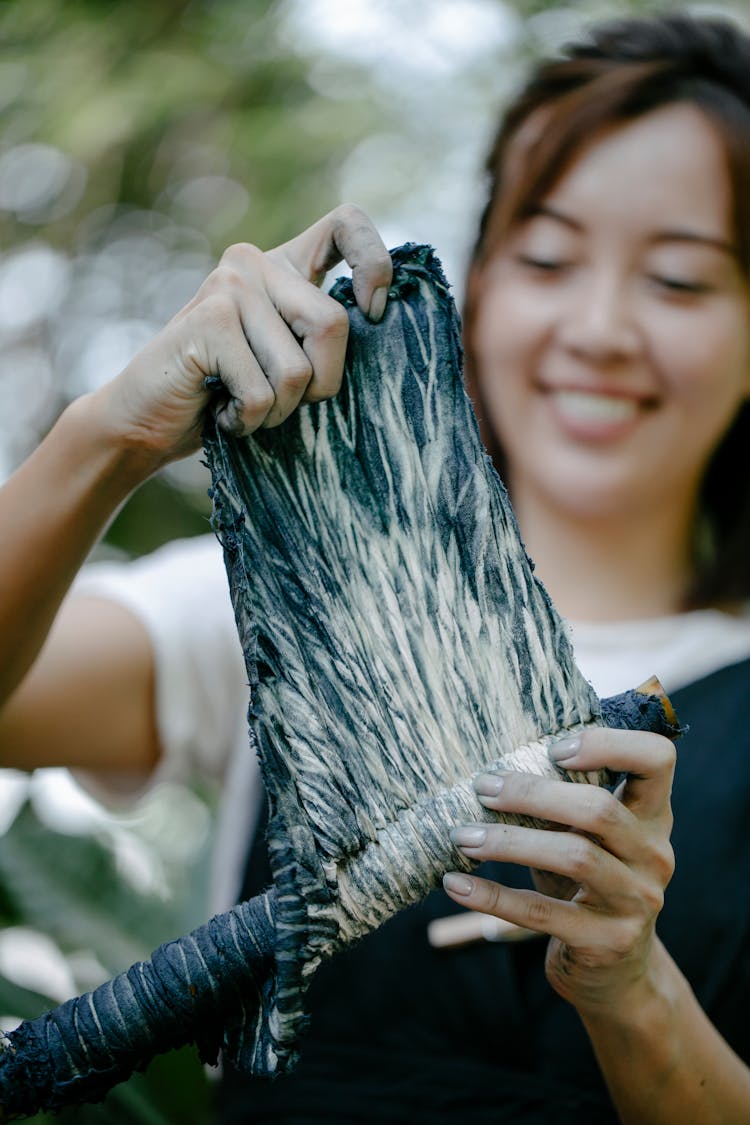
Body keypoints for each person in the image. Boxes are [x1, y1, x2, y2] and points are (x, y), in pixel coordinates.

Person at [2, 10, 750, 1123]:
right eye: (547, 259)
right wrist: (106, 431)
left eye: (680, 282)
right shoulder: (300, 612)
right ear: (480, 289)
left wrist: (631, 989)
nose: (598, 326)